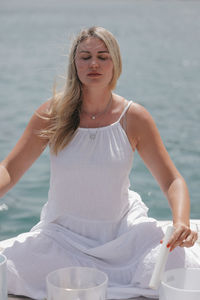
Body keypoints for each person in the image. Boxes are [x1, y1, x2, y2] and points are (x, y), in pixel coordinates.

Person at [0, 26, 199, 299]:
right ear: (75, 63)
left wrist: (181, 221)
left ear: (115, 63)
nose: (94, 63)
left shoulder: (134, 117)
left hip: (123, 237)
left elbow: (172, 180)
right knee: (5, 267)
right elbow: (9, 169)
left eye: (103, 56)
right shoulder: (52, 113)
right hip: (61, 237)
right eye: (85, 56)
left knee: (178, 262)